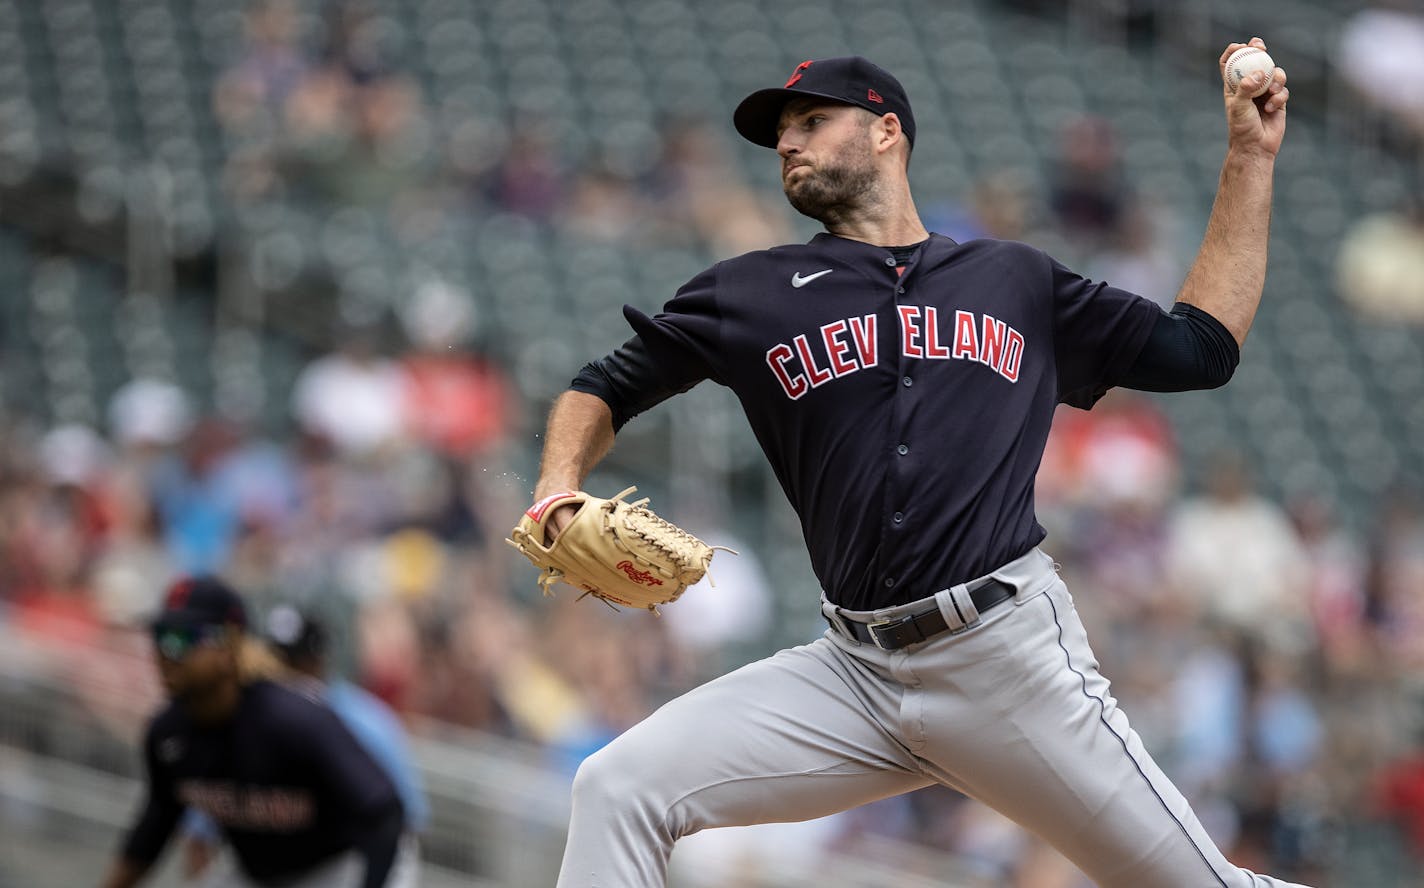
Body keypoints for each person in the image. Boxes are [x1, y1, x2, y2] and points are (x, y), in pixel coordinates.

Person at [527, 43, 1311, 888]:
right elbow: (603, 387)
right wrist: (555, 487)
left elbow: (1202, 349)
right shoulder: (750, 291)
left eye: (812, 122)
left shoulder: (1014, 280)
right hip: (852, 674)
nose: (788, 143)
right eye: (781, 132)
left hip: (1005, 661)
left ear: (886, 132)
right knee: (617, 786)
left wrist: (1248, 157)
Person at [99, 577, 414, 888]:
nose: (164, 654)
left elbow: (384, 814)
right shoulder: (169, 734)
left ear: (229, 646)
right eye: (158, 636)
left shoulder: (291, 720)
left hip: (343, 866)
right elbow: (156, 826)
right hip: (257, 875)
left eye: (181, 639)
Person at [178, 605, 430, 881]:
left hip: (345, 859)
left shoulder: (366, 722)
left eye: (296, 661)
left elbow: (403, 821)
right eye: (277, 659)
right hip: (271, 863)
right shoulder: (240, 719)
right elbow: (201, 830)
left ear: (318, 661)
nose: (285, 671)